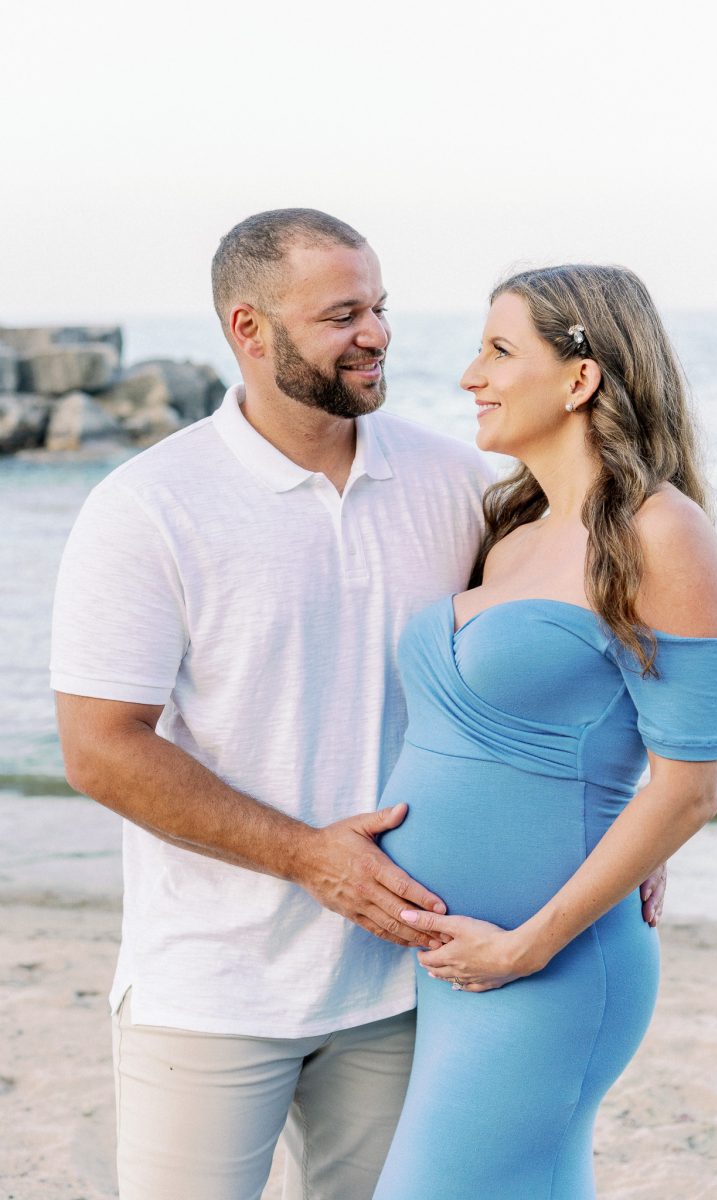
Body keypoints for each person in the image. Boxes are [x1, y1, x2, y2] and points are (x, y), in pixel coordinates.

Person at [50, 212, 665, 1200]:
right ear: (249, 331)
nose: (375, 332)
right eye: (341, 314)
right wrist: (310, 860)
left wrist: (635, 820)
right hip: (212, 986)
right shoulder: (149, 506)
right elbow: (99, 750)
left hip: (410, 981)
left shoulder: (457, 482)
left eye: (378, 306)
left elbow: (569, 657)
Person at [371, 264, 717, 1200]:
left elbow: (688, 785)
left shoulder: (662, 532)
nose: (470, 376)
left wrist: (529, 944)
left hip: (548, 968)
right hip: (461, 966)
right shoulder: (516, 529)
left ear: (580, 380)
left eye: (499, 350)